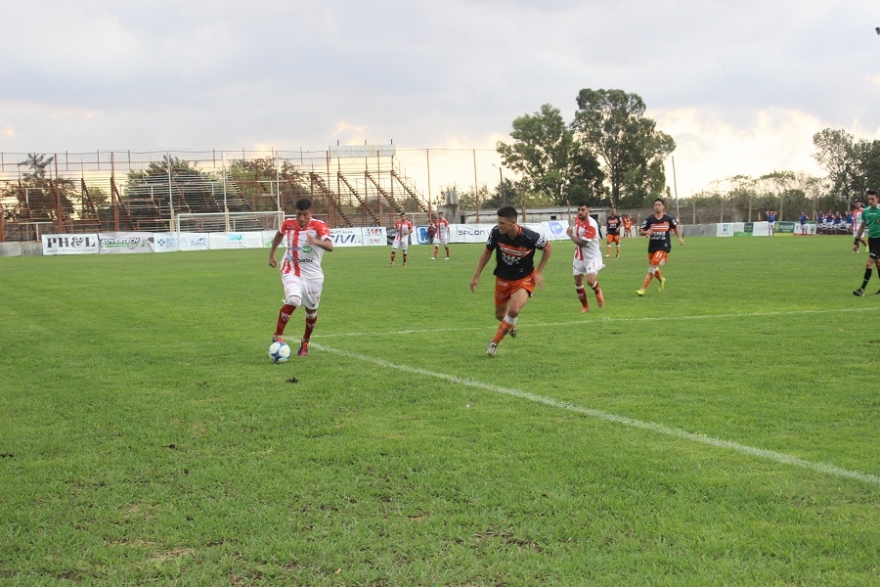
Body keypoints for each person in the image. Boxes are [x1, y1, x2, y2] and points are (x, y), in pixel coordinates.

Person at [470, 205, 552, 357]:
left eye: (502, 223)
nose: (498, 225)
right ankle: (511, 325)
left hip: (524, 278)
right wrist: (476, 275)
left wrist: (539, 272)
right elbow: (487, 253)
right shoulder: (496, 233)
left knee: (514, 310)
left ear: (513, 222)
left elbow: (548, 248)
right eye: (498, 221)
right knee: (500, 315)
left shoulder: (530, 237)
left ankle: (493, 343)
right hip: (503, 278)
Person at [268, 198, 334, 357]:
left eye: (305, 215)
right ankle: (278, 335)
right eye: (298, 214)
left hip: (313, 277)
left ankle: (305, 341)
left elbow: (330, 246)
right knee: (293, 300)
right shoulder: (288, 224)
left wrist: (316, 241)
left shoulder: (319, 226)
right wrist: (272, 255)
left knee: (311, 312)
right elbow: (279, 234)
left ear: (311, 213)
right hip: (291, 270)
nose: (301, 218)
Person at [637, 198, 684, 296]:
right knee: (654, 266)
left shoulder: (668, 218)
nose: (657, 206)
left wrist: (679, 238)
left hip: (663, 246)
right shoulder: (649, 219)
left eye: (659, 205)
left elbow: (675, 228)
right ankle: (662, 280)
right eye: (655, 205)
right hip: (652, 246)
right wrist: (646, 232)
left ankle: (643, 289)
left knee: (652, 266)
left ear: (663, 206)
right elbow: (640, 231)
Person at [567, 202, 605, 312]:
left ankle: (597, 290)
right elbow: (577, 229)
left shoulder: (591, 225)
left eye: (583, 210)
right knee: (578, 281)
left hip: (592, 257)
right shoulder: (577, 219)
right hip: (579, 256)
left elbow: (582, 243)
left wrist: (570, 234)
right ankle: (585, 306)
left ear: (589, 210)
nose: (580, 212)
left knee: (590, 281)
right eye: (578, 209)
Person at [852, 190, 880, 296]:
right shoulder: (866, 211)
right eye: (868, 199)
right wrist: (856, 241)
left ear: (877, 199)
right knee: (878, 264)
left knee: (869, 263)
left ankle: (862, 289)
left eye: (872, 199)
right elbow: (862, 227)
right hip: (871, 240)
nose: (870, 201)